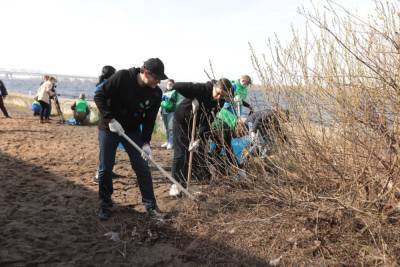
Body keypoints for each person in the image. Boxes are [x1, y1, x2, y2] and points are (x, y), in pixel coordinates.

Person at [94, 58, 167, 220]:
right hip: (109, 127)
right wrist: (110, 119)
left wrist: (146, 142)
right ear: (145, 72)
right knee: (106, 167)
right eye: (156, 78)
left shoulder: (156, 93)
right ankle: (105, 204)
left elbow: (150, 119)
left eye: (160, 79)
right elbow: (99, 95)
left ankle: (151, 205)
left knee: (142, 166)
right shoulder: (123, 77)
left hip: (132, 130)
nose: (158, 82)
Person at [169, 78, 232, 196]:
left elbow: (208, 121)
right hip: (182, 120)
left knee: (193, 153)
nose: (219, 97)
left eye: (222, 96)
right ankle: (174, 184)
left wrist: (198, 138)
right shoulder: (201, 89)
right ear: (214, 86)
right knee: (181, 153)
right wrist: (194, 98)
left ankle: (184, 183)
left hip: (196, 125)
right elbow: (177, 85)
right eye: (218, 93)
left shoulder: (220, 101)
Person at [160, 79, 179, 149]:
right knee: (166, 128)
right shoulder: (164, 91)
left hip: (171, 111)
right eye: (168, 84)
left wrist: (171, 99)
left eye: (171, 84)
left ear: (173, 85)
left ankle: (171, 142)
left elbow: (177, 101)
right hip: (164, 111)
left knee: (171, 128)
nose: (169, 85)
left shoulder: (175, 92)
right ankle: (168, 141)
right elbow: (162, 101)